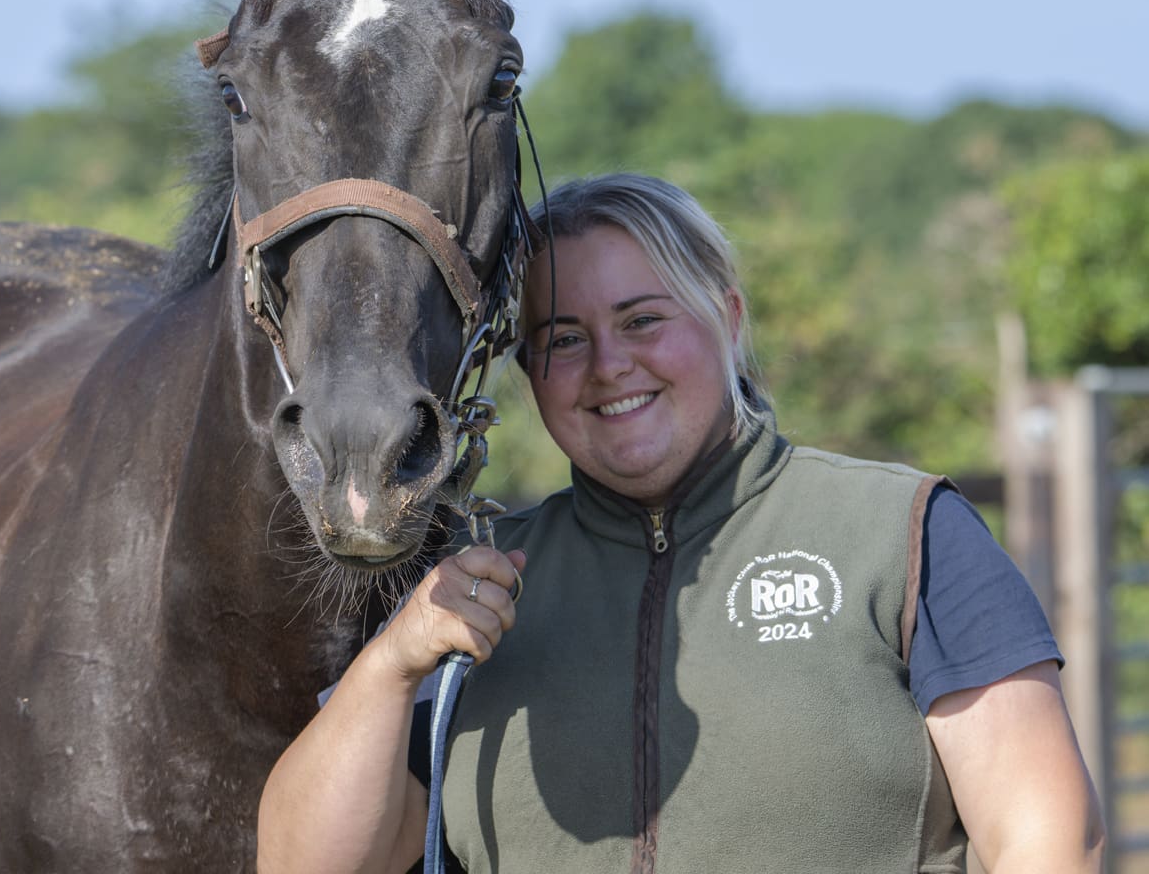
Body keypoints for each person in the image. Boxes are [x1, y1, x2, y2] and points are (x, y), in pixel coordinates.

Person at [257, 172, 1105, 873]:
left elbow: (1047, 841)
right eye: (563, 339)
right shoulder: (470, 586)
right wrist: (392, 665)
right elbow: (304, 862)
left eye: (643, 320)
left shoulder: (904, 532)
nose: (609, 365)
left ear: (727, 321)